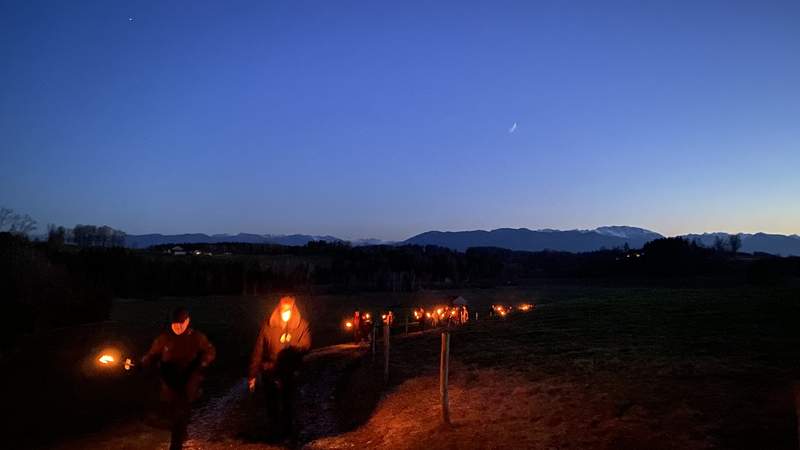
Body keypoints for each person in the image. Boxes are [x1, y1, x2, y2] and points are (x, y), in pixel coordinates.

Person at [141, 307, 216, 450]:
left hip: (188, 382)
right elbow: (151, 355)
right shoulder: (164, 339)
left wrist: (203, 362)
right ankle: (180, 436)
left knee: (181, 412)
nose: (178, 327)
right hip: (170, 382)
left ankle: (177, 443)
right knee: (176, 413)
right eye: (175, 324)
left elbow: (209, 351)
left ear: (187, 321)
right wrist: (142, 363)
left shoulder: (196, 337)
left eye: (181, 323)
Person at [249, 296, 311, 440]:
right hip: (270, 371)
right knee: (272, 404)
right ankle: (274, 431)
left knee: (288, 403)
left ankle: (288, 432)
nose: (286, 313)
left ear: (293, 309)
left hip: (289, 372)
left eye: (288, 310)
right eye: (283, 310)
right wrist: (252, 374)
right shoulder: (268, 326)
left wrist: (292, 348)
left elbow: (306, 345)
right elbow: (258, 350)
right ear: (278, 309)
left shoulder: (301, 325)